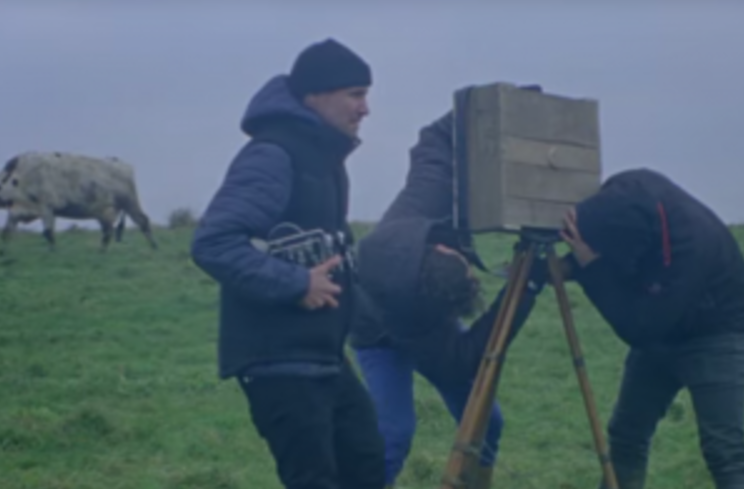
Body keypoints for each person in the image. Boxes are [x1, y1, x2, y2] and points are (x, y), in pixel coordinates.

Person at [190, 38, 385, 489]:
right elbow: (214, 242)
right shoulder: (274, 154)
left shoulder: (326, 158)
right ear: (314, 96)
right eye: (355, 94)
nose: (366, 108)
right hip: (279, 361)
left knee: (367, 466)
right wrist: (296, 283)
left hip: (325, 358)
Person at [349, 107, 544, 488]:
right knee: (394, 434)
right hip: (377, 337)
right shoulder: (425, 326)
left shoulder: (419, 210)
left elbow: (434, 146)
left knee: (488, 423)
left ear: (438, 250)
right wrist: (526, 289)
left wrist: (487, 106)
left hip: (416, 315)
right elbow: (466, 355)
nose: (471, 264)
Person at [559, 168, 744, 489]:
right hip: (662, 334)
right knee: (626, 437)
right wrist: (568, 263)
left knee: (726, 452)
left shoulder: (691, 243)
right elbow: (622, 248)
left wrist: (591, 268)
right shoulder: (629, 200)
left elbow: (640, 328)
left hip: (715, 335)